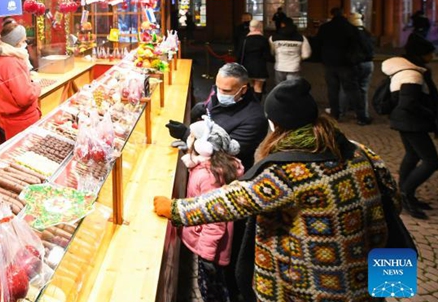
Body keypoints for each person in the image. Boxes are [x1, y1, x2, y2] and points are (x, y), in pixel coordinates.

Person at [154, 78, 392, 302]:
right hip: (368, 270)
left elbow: (233, 200)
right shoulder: (358, 150)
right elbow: (392, 197)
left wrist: (176, 209)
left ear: (277, 125)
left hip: (312, 282)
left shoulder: (289, 170)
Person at [179, 118, 244, 302]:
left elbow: (216, 219)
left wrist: (206, 255)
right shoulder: (208, 165)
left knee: (213, 291)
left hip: (211, 250)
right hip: (208, 244)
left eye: (192, 137)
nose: (189, 139)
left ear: (204, 146)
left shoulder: (209, 177)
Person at [381, 32, 438, 219]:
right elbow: (408, 103)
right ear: (421, 55)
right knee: (431, 161)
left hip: (406, 121)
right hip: (411, 122)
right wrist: (431, 116)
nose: (433, 56)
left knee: (412, 155)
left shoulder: (411, 71)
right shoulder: (412, 74)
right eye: (430, 53)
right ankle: (405, 193)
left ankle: (405, 194)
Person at [0, 19, 41, 140]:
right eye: (23, 41)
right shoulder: (12, 63)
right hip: (20, 125)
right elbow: (24, 97)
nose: (25, 44)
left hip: (5, 122)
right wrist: (36, 85)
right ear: (16, 43)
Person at [316, 8, 370, 124]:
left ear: (332, 15)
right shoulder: (350, 28)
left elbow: (317, 44)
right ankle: (361, 116)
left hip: (330, 63)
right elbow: (358, 45)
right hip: (346, 63)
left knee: (332, 90)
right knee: (352, 90)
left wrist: (322, 58)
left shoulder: (325, 28)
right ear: (344, 14)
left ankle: (335, 114)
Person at [348, 13, 374, 123]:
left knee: (353, 90)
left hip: (356, 64)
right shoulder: (367, 33)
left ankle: (359, 115)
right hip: (368, 63)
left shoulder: (351, 34)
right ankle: (364, 113)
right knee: (363, 89)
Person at [269, 17, 311, 84]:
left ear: (282, 25)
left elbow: (271, 52)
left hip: (280, 66)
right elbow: (306, 54)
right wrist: (299, 58)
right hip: (294, 67)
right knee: (292, 88)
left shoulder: (273, 38)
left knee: (279, 87)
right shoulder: (301, 38)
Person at [238, 20, 271, 96]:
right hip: (260, 67)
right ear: (260, 28)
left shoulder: (245, 40)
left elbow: (239, 54)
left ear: (250, 28)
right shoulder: (264, 40)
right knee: (258, 88)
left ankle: (250, 104)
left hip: (247, 67)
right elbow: (267, 55)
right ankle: (257, 105)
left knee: (250, 87)